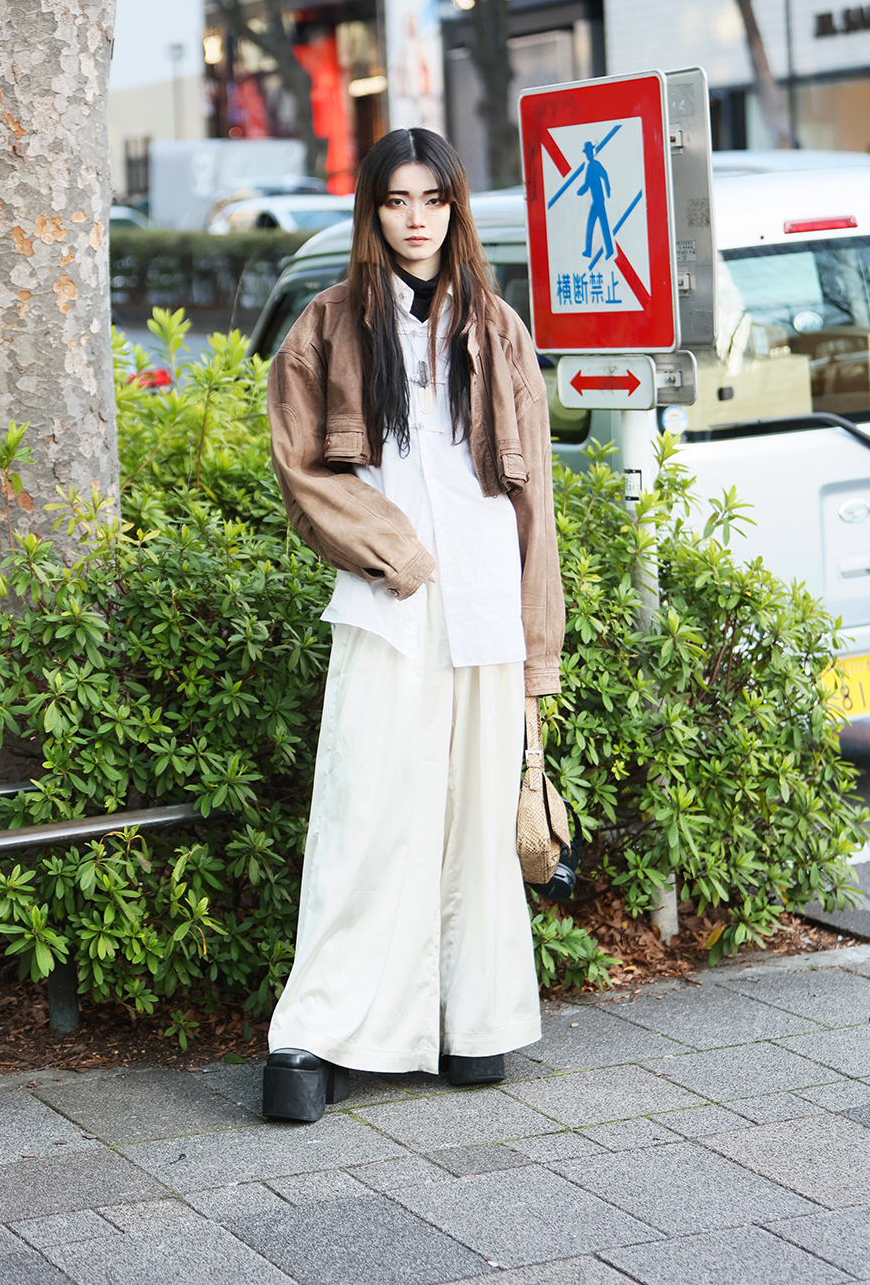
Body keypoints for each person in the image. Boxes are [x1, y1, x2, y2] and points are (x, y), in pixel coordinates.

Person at [263, 127, 564, 1123]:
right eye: (397, 200)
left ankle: (472, 1018)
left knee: (477, 824)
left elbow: (535, 501)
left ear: (455, 209)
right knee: (366, 816)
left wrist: (537, 647)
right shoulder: (327, 324)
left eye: (434, 200)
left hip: (484, 607)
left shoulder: (497, 327)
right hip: (388, 603)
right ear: (373, 211)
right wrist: (394, 548)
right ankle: (323, 1030)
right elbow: (303, 469)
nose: (416, 219)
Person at [578, 140, 613, 261]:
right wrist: (581, 191)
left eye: (589, 152)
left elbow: (605, 175)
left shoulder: (596, 165)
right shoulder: (589, 167)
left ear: (592, 152)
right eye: (586, 153)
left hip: (599, 200)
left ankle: (592, 251)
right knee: (599, 225)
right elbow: (587, 184)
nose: (588, 155)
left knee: (596, 225)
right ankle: (601, 250)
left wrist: (608, 190)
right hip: (596, 201)